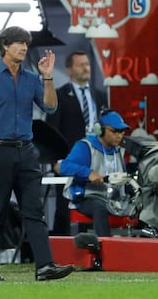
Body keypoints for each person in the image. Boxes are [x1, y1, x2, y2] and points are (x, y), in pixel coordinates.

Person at [0, 26, 74, 282]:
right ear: (5, 46)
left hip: (27, 152)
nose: (24, 47)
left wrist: (47, 77)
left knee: (34, 212)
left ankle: (45, 267)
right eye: (18, 42)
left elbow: (49, 106)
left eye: (25, 43)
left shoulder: (31, 79)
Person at [46, 50, 108, 236]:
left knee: (96, 203)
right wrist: (55, 160)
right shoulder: (60, 95)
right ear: (69, 69)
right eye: (80, 64)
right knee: (64, 207)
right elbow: (52, 130)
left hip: (96, 159)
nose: (85, 68)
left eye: (87, 64)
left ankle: (95, 245)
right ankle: (59, 249)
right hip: (69, 159)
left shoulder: (100, 95)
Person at [58, 110, 130, 237]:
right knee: (99, 208)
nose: (119, 136)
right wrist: (88, 173)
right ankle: (105, 250)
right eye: (114, 131)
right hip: (87, 197)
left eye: (122, 132)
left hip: (112, 198)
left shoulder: (118, 151)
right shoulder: (85, 147)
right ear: (100, 130)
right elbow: (64, 167)